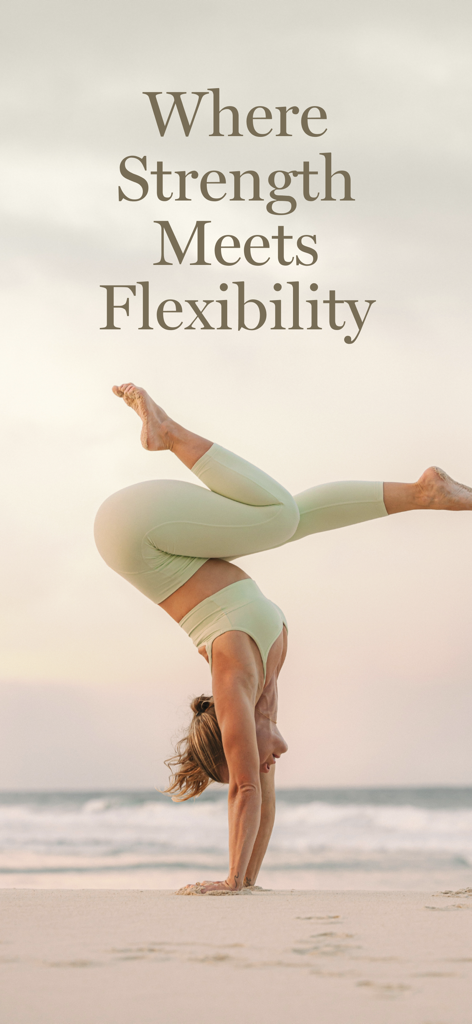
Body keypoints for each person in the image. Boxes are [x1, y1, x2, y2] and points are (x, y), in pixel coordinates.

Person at [94, 383, 472, 894]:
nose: (269, 762)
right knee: (291, 518)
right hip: (157, 539)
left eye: (250, 756)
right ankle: (423, 493)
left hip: (133, 530)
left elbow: (246, 790)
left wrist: (228, 880)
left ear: (238, 739)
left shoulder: (234, 680)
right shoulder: (264, 695)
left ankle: (168, 432)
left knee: (279, 517)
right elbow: (264, 797)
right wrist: (247, 880)